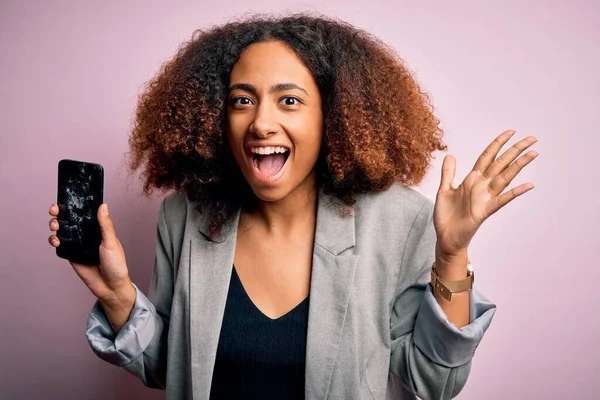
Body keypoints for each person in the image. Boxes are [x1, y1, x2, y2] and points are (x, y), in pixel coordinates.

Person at [47, 13, 538, 400]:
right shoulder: (185, 216)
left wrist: (451, 255)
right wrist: (115, 294)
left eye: (289, 101)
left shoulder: (399, 221)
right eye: (242, 100)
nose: (260, 123)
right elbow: (170, 371)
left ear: (335, 116)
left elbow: (434, 383)